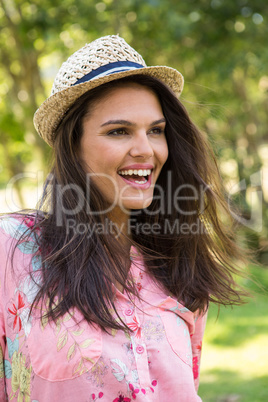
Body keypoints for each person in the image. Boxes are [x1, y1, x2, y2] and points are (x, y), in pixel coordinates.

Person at [0, 35, 247, 401]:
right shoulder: (13, 249)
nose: (145, 150)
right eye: (119, 131)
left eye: (156, 131)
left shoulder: (177, 267)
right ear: (72, 145)